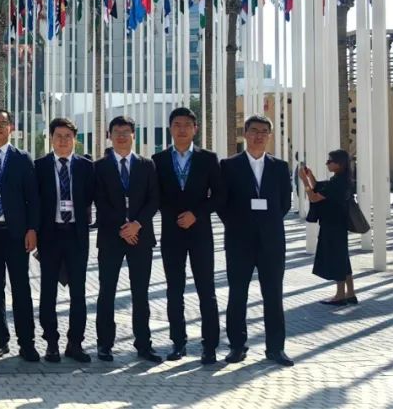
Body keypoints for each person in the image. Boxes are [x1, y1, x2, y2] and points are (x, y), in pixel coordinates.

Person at [218, 115, 294, 367]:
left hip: (272, 241)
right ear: (245, 133)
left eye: (264, 131)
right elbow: (222, 203)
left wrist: (266, 223)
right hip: (239, 240)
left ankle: (276, 348)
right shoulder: (229, 165)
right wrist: (240, 224)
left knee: (273, 295)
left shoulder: (280, 167)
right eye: (254, 130)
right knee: (237, 294)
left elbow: (284, 203)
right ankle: (237, 346)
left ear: (269, 136)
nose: (259, 135)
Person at [152, 107, 225, 364]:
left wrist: (196, 214)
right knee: (174, 290)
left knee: (206, 289)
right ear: (170, 128)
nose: (182, 129)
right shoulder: (158, 160)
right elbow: (155, 195)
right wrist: (174, 214)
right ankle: (178, 343)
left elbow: (219, 195)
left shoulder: (208, 159)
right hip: (172, 232)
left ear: (195, 129)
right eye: (177, 125)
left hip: (200, 232)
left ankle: (210, 346)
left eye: (187, 125)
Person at [94, 116, 161, 364]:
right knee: (106, 292)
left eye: (126, 132)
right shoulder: (99, 167)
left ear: (134, 135)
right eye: (117, 132)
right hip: (111, 237)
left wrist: (136, 225)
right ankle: (104, 344)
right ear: (109, 135)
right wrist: (123, 227)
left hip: (141, 236)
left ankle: (143, 344)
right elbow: (99, 201)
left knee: (140, 292)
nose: (121, 136)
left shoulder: (147, 165)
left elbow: (154, 199)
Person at [0, 109, 40, 362]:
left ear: (11, 127)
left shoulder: (22, 158)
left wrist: (32, 229)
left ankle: (27, 342)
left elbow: (33, 197)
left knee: (21, 288)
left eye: (3, 123)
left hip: (16, 234)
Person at [34, 117, 95, 364]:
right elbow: (34, 201)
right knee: (48, 291)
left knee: (78, 292)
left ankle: (75, 343)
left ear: (75, 139)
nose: (62, 141)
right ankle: (51, 342)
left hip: (76, 236)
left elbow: (93, 197)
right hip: (50, 236)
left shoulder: (86, 167)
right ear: (51, 138)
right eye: (58, 136)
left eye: (67, 136)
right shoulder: (39, 167)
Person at [301, 149, 357, 306]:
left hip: (332, 224)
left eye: (330, 161)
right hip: (338, 223)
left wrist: (304, 181)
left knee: (337, 258)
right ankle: (350, 293)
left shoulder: (337, 183)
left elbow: (314, 197)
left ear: (339, 164)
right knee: (343, 257)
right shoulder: (341, 180)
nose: (327, 163)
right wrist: (310, 176)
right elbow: (320, 187)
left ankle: (340, 295)